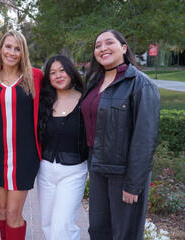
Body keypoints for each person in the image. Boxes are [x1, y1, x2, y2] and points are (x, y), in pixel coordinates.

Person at [81, 29, 160, 240]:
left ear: (124, 48)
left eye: (109, 43)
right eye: (98, 45)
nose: (103, 48)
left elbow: (145, 139)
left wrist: (133, 185)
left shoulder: (141, 84)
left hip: (124, 175)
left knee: (124, 234)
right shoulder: (94, 83)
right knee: (98, 231)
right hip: (98, 170)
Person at [0, 30, 43, 240]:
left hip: (24, 156)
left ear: (23, 52)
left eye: (17, 48)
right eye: (8, 47)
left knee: (14, 213)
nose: (12, 52)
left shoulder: (34, 77)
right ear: (0, 49)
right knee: (3, 211)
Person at [37, 55, 88, 240]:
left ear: (71, 72)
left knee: (62, 226)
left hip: (73, 171)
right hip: (46, 171)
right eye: (52, 72)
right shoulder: (44, 102)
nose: (58, 75)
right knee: (48, 225)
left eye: (62, 70)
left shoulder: (86, 100)